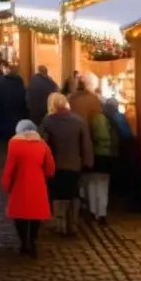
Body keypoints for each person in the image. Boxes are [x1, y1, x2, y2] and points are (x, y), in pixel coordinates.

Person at [39, 92, 93, 235]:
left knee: (57, 194)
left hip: (55, 165)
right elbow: (85, 144)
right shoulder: (78, 120)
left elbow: (43, 145)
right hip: (74, 164)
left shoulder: (48, 121)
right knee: (73, 193)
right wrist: (87, 161)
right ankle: (73, 223)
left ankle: (59, 222)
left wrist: (41, 163)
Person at [2, 119, 55, 257]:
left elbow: (10, 168)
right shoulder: (42, 145)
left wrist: (6, 184)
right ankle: (32, 241)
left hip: (19, 184)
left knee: (20, 216)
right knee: (35, 216)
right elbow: (50, 168)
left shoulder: (14, 144)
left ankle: (23, 242)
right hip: (37, 184)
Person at [88, 104, 120, 224]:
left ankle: (94, 211)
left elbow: (100, 137)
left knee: (94, 183)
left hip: (98, 154)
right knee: (103, 185)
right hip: (109, 155)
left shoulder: (97, 118)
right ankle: (101, 212)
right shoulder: (111, 120)